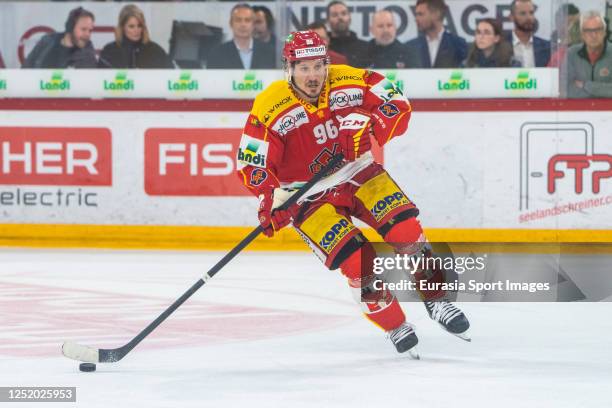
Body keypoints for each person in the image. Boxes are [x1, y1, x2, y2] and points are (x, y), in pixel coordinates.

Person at [235, 30, 471, 355]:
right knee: (359, 263)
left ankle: (437, 301)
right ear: (288, 69)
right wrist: (269, 198)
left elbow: (397, 100)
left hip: (357, 173)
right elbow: (252, 162)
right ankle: (395, 325)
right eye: (303, 68)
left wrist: (371, 125)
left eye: (318, 66)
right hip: (305, 197)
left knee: (407, 232)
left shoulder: (349, 80)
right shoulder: (269, 104)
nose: (313, 75)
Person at [98, 4, 174, 69]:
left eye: (139, 26)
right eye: (131, 26)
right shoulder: (109, 51)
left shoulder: (156, 50)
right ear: (122, 27)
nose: (136, 30)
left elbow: (172, 75)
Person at [22, 6, 97, 68]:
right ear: (70, 27)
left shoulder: (87, 52)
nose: (88, 34)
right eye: (83, 29)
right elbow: (26, 68)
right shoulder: (47, 41)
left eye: (90, 30)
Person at [207, 3, 275, 69]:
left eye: (247, 20)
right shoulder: (217, 54)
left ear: (253, 25)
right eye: (238, 20)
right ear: (231, 24)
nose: (243, 24)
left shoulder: (270, 53)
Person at [405, 0, 467, 68]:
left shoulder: (458, 45)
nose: (416, 19)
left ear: (436, 14)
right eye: (416, 15)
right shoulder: (410, 47)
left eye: (420, 14)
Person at [566, 11, 612, 98]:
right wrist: (602, 91)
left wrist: (586, 85)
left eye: (598, 30)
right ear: (582, 35)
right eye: (588, 31)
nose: (594, 35)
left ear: (605, 32)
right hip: (578, 110)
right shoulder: (571, 54)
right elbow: (565, 89)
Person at [505, 0, 550, 67]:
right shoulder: (501, 45)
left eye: (531, 13)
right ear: (511, 17)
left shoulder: (547, 47)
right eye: (523, 13)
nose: (529, 18)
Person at [326, 1, 369, 67]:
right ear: (328, 20)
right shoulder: (324, 48)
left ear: (350, 17)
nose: (340, 17)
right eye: (334, 15)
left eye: (344, 13)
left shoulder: (365, 47)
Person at [548, 3, 581, 68]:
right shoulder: (547, 49)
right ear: (558, 23)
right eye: (569, 22)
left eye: (577, 23)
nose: (574, 27)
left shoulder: (586, 48)